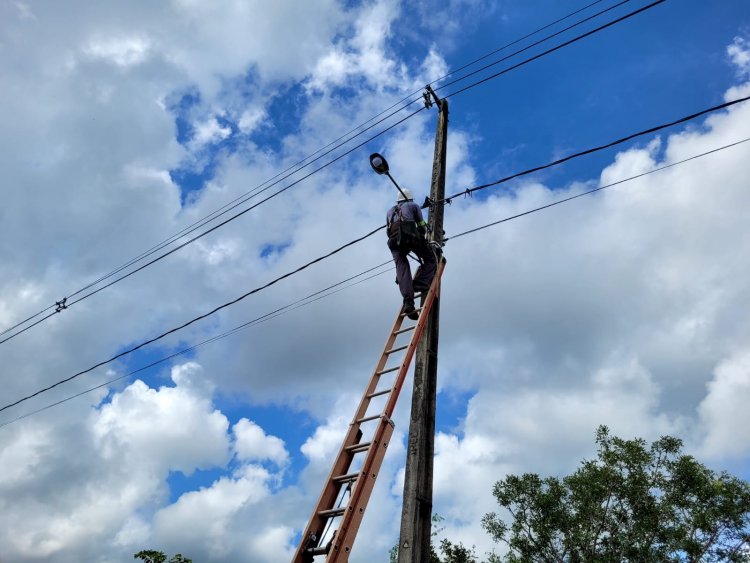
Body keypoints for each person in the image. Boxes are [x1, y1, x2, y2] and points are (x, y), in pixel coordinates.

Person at [386, 188, 437, 320]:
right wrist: (424, 241)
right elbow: (421, 226)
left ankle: (408, 302)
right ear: (410, 198)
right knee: (431, 258)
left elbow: (388, 230)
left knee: (402, 268)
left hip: (393, 241)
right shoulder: (413, 206)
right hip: (409, 236)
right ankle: (419, 284)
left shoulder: (390, 211)